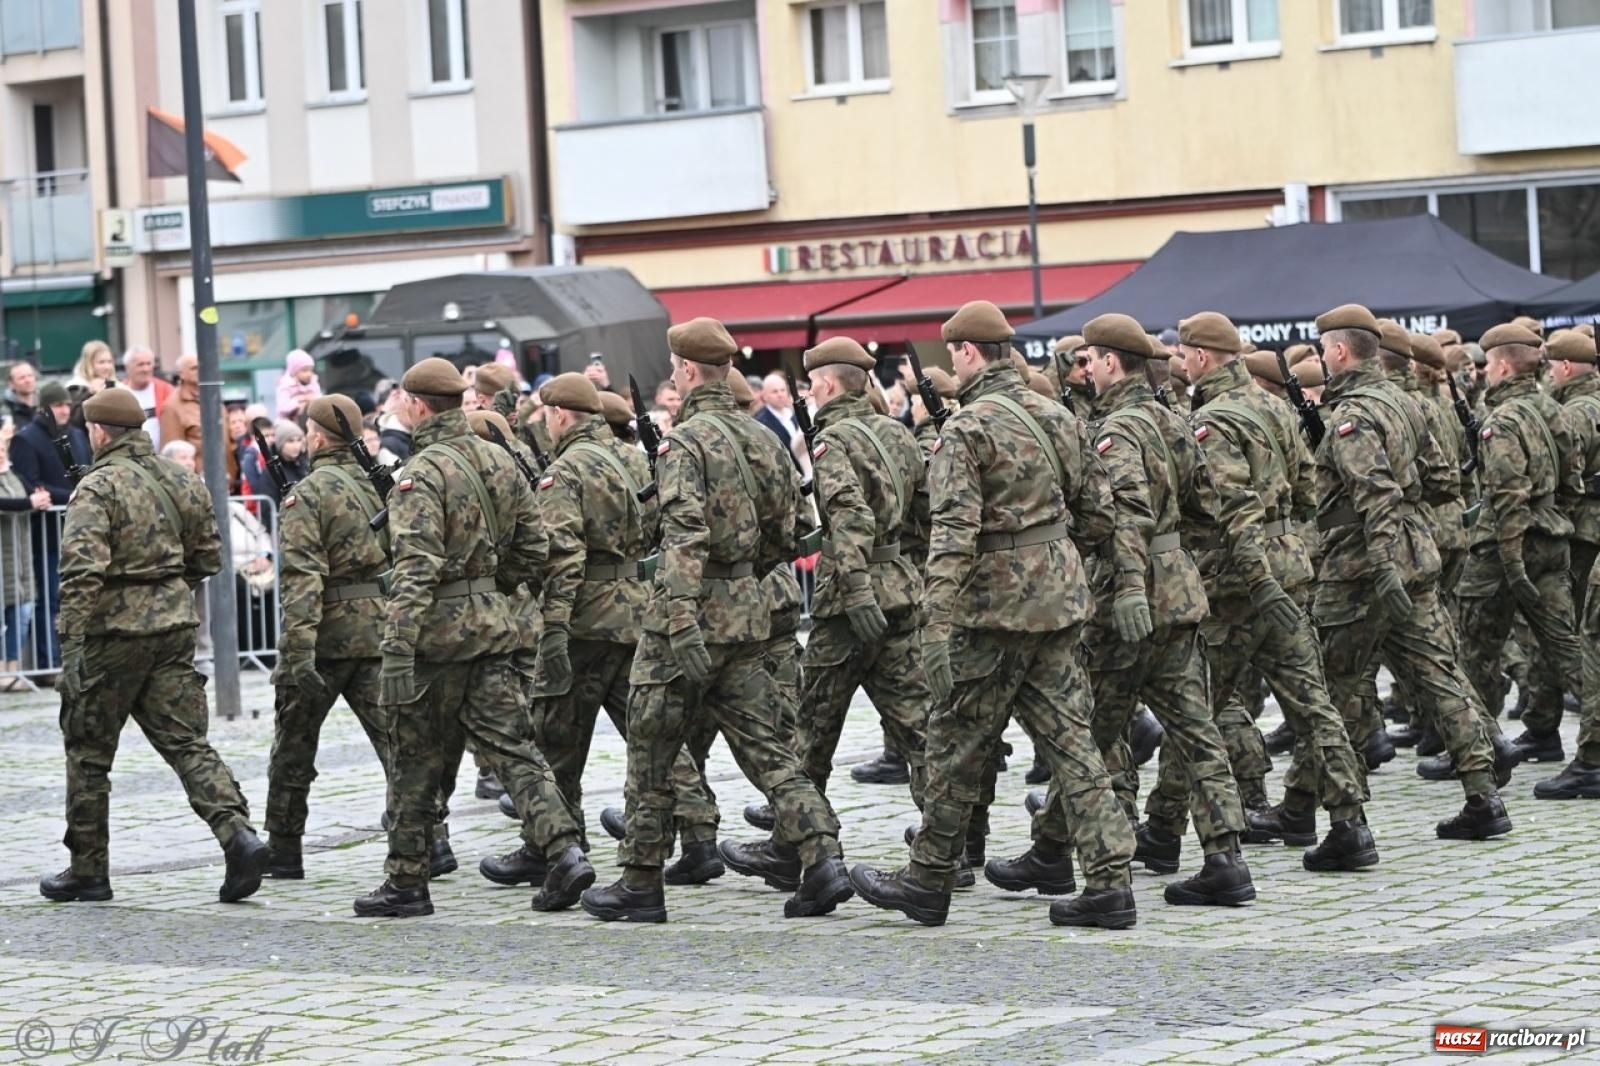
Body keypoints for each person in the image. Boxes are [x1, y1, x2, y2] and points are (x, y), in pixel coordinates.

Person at [850, 301, 1137, 930]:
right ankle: (1111, 879)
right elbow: (1098, 514)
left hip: (993, 613)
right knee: (1074, 742)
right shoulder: (1059, 415)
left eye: (953, 351)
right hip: (1059, 602)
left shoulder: (967, 428)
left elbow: (953, 534)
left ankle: (928, 880)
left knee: (956, 743)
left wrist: (935, 623)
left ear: (968, 353)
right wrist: (1053, 556)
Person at [580, 317, 848, 924]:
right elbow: (788, 534)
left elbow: (684, 534)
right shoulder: (764, 438)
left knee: (650, 749)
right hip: (749, 614)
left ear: (688, 371)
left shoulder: (687, 440)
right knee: (770, 750)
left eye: (676, 367)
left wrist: (676, 615)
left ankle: (640, 881)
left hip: (690, 615)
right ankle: (823, 856)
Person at [1017, 315, 1253, 905]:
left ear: (1112, 362)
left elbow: (1125, 516)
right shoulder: (1173, 422)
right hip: (1177, 591)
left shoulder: (1117, 431)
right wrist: (1177, 561)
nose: (1084, 369)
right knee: (1195, 729)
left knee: (1089, 733)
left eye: (1091, 360)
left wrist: (1125, 587)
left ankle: (1056, 855)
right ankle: (1225, 855)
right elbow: (1205, 508)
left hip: (1133, 600)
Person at [356, 357, 591, 918]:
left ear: (416, 406)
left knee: (414, 758)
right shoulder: (498, 458)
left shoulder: (420, 472)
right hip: (492, 630)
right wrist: (489, 589)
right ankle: (564, 851)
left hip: (434, 640)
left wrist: (395, 647)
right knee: (515, 749)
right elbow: (535, 549)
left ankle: (407, 881)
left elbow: (415, 568)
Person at [481, 374, 723, 889]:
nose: (545, 423)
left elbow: (562, 556)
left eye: (548, 414)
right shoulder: (636, 458)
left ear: (562, 415)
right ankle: (699, 833)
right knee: (652, 730)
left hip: (587, 621)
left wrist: (553, 628)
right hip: (635, 611)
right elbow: (663, 528)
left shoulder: (565, 471)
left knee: (555, 734)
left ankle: (551, 843)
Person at [41, 387, 270, 904]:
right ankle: (238, 834)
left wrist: (71, 646)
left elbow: (80, 574)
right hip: (172, 630)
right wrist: (164, 591)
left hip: (110, 639)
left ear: (99, 432)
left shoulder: (98, 488)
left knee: (88, 753)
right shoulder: (182, 479)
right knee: (187, 742)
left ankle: (88, 869)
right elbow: (209, 558)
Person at [1168, 312, 1375, 871]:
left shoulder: (1212, 420)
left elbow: (1235, 512)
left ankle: (1164, 829)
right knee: (1312, 703)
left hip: (1240, 584)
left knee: (1195, 709)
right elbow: (1308, 491)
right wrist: (1293, 554)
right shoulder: (1277, 408)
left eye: (1185, 352)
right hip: (1286, 569)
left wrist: (1258, 579)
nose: (1181, 362)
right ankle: (1350, 821)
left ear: (1203, 357)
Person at [1304, 304, 1515, 841]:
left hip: (1362, 569)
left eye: (1322, 347)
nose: (1321, 357)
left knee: (1334, 690)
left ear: (1338, 351)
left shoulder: (1352, 416)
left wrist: (1380, 562)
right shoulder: (1408, 403)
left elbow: (1374, 495)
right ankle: (1483, 795)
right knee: (1439, 675)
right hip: (1414, 557)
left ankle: (1345, 822)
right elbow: (1445, 478)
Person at [263, 395, 453, 880]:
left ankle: (284, 848)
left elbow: (303, 580)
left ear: (319, 437)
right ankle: (432, 838)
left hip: (327, 639)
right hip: (378, 630)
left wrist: (297, 650)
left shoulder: (308, 494)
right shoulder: (381, 486)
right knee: (400, 744)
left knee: (293, 747)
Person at [1457, 322, 1584, 767]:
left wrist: (1511, 562)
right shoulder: (1554, 409)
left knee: (1475, 648)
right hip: (1552, 537)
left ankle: (1480, 749)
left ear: (1503, 365)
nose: (1485, 373)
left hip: (1507, 547)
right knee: (1565, 646)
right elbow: (1574, 479)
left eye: (1488, 364)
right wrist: (1555, 520)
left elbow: (1508, 496)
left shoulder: (1503, 421)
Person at [11, 382, 91, 671]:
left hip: (81, 532)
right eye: (58, 405)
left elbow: (89, 471)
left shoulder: (78, 435)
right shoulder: (26, 439)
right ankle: (49, 662)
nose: (65, 410)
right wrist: (70, 497)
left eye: (67, 405)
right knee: (50, 598)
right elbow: (29, 484)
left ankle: (81, 660)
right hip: (46, 533)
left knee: (81, 597)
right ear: (45, 407)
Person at [0, 417, 47, 689]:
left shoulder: (12, 472)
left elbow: (31, 491)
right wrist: (28, 502)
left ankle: (12, 669)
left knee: (24, 609)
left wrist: (38, 498)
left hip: (20, 555)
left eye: (3, 449)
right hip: (3, 556)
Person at [120, 346, 172, 447]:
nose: (146, 369)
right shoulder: (119, 393)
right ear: (127, 367)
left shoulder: (166, 390)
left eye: (149, 364)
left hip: (162, 458)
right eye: (140, 364)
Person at [755, 372, 801, 454]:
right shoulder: (760, 422)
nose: (780, 395)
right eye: (775, 391)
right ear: (764, 395)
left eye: (783, 390)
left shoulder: (796, 414)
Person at [276, 350, 322, 423]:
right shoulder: (286, 385)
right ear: (294, 371)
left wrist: (310, 399)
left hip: (311, 420)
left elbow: (321, 400)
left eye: (311, 370)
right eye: (304, 370)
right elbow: (282, 408)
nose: (309, 374)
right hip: (290, 423)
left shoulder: (313, 383)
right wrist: (298, 401)